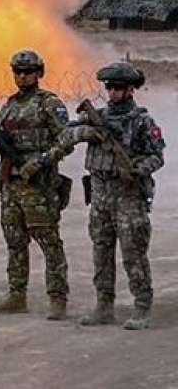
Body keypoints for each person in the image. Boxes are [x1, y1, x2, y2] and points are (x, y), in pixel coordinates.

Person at [60, 61, 165, 330]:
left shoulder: (141, 121)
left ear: (130, 89)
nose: (113, 92)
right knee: (101, 251)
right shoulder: (98, 117)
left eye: (118, 88)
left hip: (128, 196)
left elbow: (156, 156)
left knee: (133, 252)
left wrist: (136, 169)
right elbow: (65, 133)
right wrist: (87, 133)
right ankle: (104, 306)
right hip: (100, 194)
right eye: (109, 87)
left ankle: (142, 306)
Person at [0, 50, 71, 320]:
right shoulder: (9, 106)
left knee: (48, 241)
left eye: (28, 71)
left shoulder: (49, 104)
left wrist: (41, 161)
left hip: (37, 185)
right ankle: (16, 295)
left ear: (39, 73)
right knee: (14, 241)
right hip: (11, 185)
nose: (22, 76)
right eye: (18, 72)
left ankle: (57, 297)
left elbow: (66, 140)